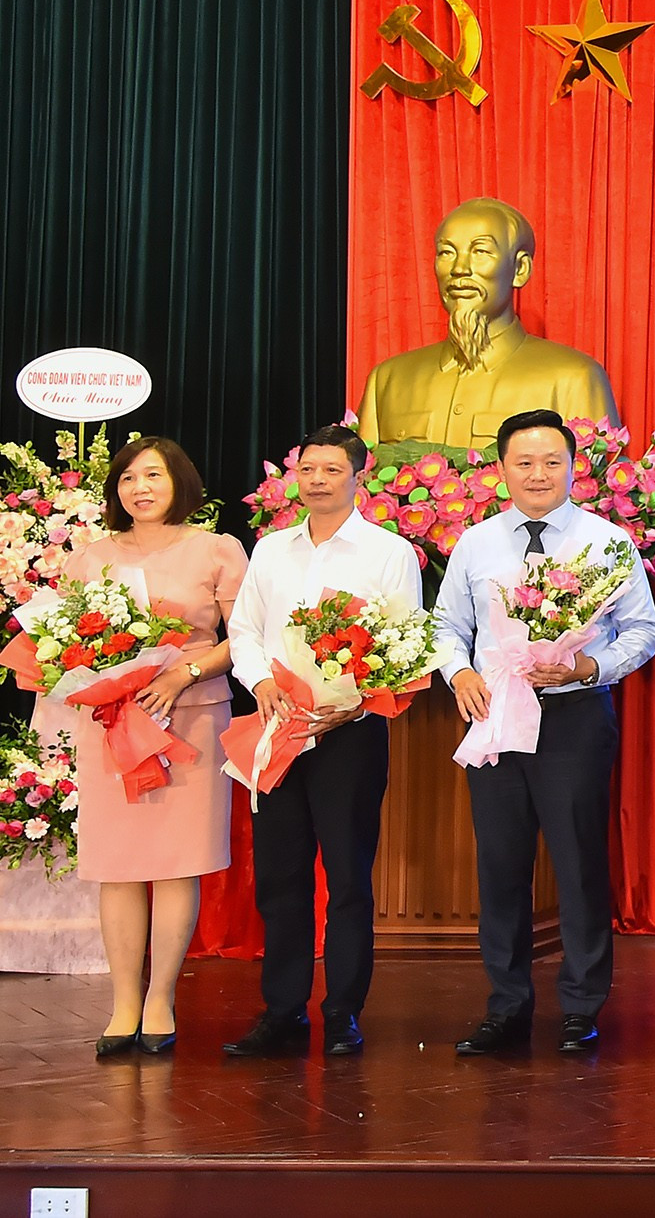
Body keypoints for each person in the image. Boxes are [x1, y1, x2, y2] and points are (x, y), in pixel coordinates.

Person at [434, 408, 655, 1055]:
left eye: (552, 461)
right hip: (495, 715)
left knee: (579, 863)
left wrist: (592, 665)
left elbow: (646, 631)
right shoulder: (476, 542)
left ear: (574, 466)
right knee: (500, 867)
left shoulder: (607, 541)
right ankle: (507, 1005)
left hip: (574, 717)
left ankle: (581, 1007)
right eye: (524, 462)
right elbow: (445, 625)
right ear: (501, 468)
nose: (538, 473)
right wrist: (457, 674)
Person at [222, 424, 422, 1058]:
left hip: (348, 735)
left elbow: (402, 642)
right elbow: (245, 628)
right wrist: (259, 682)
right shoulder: (272, 550)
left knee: (349, 878)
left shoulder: (389, 552)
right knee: (281, 876)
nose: (316, 480)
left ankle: (342, 1012)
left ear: (357, 477)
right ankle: (282, 1011)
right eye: (307, 469)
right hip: (277, 727)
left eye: (331, 470)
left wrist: (353, 703)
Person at [59, 437, 247, 1057]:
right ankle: (121, 1006)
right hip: (111, 725)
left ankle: (161, 998)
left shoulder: (216, 549)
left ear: (180, 484)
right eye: (129, 478)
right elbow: (59, 639)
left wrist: (182, 674)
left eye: (154, 476)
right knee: (116, 868)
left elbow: (243, 637)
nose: (140, 488)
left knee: (174, 866)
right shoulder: (89, 559)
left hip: (187, 720)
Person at [356, 198, 618, 449]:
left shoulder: (574, 379)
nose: (459, 268)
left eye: (480, 251)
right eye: (446, 252)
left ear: (520, 269)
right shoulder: (388, 380)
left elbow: (595, 488)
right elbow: (357, 487)